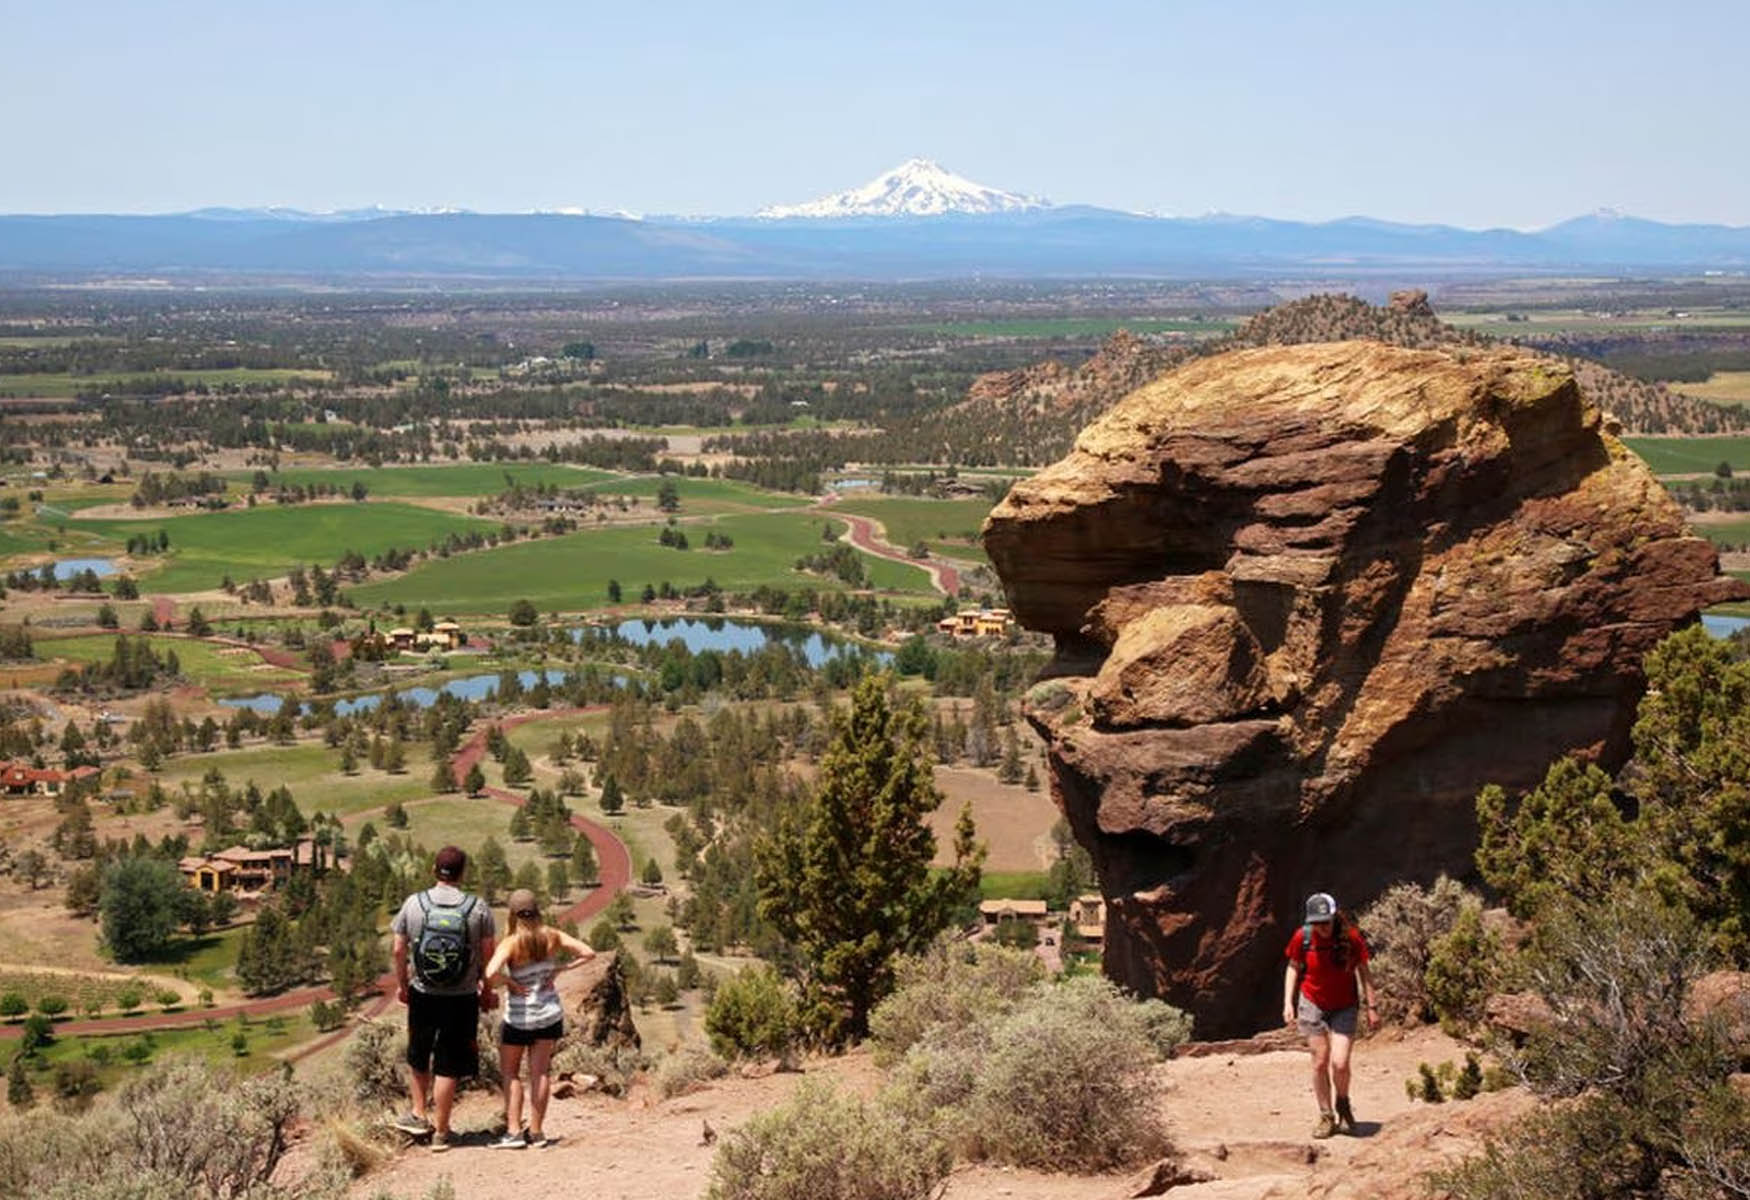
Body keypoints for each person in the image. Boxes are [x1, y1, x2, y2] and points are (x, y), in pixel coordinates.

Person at [391, 845, 497, 1152]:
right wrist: (487, 991)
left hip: (422, 992)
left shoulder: (414, 904)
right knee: (449, 1063)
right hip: (462, 997)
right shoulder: (477, 908)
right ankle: (442, 1131)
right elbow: (489, 955)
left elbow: (398, 949)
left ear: (433, 870)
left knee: (419, 1053)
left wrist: (403, 984)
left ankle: (418, 1113)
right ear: (463, 873)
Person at [483, 887, 597, 1149]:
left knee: (511, 1074)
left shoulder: (511, 942)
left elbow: (490, 974)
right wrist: (560, 969)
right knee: (540, 1073)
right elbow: (588, 953)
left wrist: (509, 981)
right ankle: (536, 1132)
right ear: (537, 911)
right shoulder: (552, 936)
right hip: (549, 1014)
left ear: (512, 914)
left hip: (519, 1018)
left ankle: (513, 1132)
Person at [1282, 891, 1376, 1139]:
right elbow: (1293, 967)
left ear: (1335, 917)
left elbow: (1364, 972)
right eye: (1316, 922)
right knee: (1320, 1061)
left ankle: (1343, 1103)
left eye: (1325, 921)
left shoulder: (1352, 938)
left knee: (1340, 1062)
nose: (1321, 927)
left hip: (1345, 1004)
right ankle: (1326, 1115)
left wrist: (1372, 1007)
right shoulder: (1303, 937)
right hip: (1312, 1002)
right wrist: (1288, 1002)